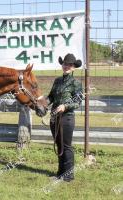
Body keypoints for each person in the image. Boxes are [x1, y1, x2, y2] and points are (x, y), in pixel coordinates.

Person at [46, 53, 83, 182]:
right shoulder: (57, 80)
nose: (66, 66)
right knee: (59, 144)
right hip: (54, 117)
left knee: (66, 146)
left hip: (67, 118)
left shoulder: (76, 83)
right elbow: (51, 96)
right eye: (65, 64)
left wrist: (65, 106)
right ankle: (60, 173)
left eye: (69, 65)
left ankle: (68, 175)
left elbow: (78, 102)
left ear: (73, 68)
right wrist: (43, 102)